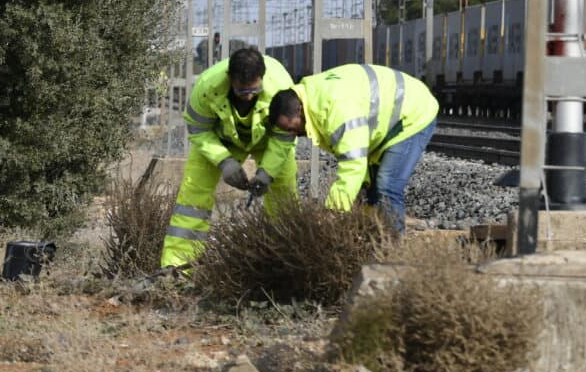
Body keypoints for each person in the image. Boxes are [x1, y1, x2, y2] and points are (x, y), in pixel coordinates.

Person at [160, 45, 296, 269]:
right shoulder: (207, 87)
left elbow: (284, 136)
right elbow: (197, 129)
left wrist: (267, 173)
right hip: (220, 140)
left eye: (254, 90)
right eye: (242, 92)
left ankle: (285, 264)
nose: (249, 96)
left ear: (262, 78)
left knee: (284, 197)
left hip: (269, 141)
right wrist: (224, 161)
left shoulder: (281, 89)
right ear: (230, 79)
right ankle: (177, 266)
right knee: (193, 196)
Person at [266, 62, 439, 233]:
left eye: (291, 127)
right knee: (368, 192)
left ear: (299, 109)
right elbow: (356, 151)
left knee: (386, 186)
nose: (293, 133)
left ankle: (392, 251)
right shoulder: (312, 97)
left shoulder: (334, 110)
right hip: (388, 124)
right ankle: (372, 243)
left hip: (413, 113)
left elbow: (353, 163)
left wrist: (333, 210)